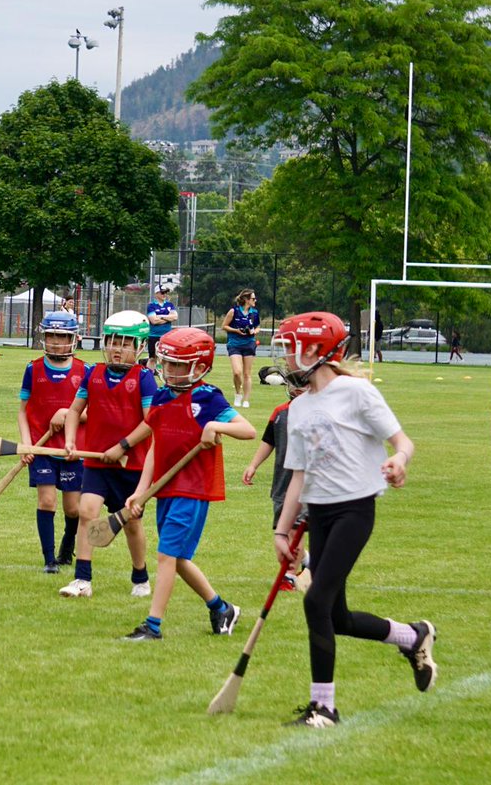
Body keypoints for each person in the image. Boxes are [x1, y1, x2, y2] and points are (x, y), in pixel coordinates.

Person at [271, 311, 434, 728]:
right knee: (336, 617)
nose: (286, 356)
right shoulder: (300, 408)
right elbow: (298, 476)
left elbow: (402, 442)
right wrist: (281, 530)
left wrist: (399, 460)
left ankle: (324, 707)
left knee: (315, 601)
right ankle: (412, 636)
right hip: (320, 514)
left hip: (354, 510)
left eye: (292, 348)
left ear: (315, 351)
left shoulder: (356, 393)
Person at [122, 327, 256, 641]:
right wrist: (141, 490)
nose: (169, 370)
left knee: (167, 555)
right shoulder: (161, 395)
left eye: (178, 365)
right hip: (166, 489)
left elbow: (247, 430)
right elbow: (156, 446)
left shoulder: (207, 397)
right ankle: (221, 607)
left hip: (193, 489)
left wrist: (212, 425)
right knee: (177, 558)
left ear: (199, 366)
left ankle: (152, 626)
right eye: (167, 363)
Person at [59, 311, 155, 599]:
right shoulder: (94, 373)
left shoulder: (145, 378)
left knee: (131, 524)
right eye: (113, 341)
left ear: (138, 346)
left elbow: (151, 421)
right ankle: (82, 580)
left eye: (125, 343)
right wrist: (70, 440)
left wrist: (122, 446)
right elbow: (75, 410)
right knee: (87, 513)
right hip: (96, 462)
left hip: (132, 465)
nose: (117, 348)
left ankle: (140, 576)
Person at [18, 311, 85, 573]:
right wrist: (26, 444)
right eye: (51, 336)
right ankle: (49, 561)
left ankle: (67, 548)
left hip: (73, 449)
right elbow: (23, 411)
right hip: (41, 447)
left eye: (62, 336)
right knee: (46, 501)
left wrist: (68, 414)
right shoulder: (33, 369)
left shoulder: (85, 371)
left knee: (73, 508)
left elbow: (93, 412)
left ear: (73, 339)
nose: (56, 341)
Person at [242, 368, 307, 592]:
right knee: (285, 529)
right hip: (283, 482)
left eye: (303, 383)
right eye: (293, 383)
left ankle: (289, 574)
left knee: (294, 530)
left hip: (308, 483)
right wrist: (253, 465)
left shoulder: (318, 413)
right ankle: (302, 560)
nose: (298, 388)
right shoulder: (280, 413)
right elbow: (269, 441)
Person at [221, 288, 261, 408]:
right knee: (237, 372)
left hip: (249, 343)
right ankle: (238, 394)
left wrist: (254, 331)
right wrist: (236, 331)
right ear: (246, 299)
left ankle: (246, 400)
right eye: (253, 298)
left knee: (247, 374)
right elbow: (224, 326)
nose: (255, 300)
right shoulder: (234, 311)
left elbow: (258, 326)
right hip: (234, 344)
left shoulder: (254, 313)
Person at [145, 284, 178, 370]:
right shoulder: (151, 306)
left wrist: (161, 316)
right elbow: (154, 321)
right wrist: (168, 318)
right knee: (152, 358)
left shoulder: (170, 305)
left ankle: (164, 375)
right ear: (156, 294)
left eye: (166, 293)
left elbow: (175, 317)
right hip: (153, 336)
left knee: (166, 358)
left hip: (166, 337)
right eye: (162, 292)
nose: (164, 295)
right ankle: (149, 375)